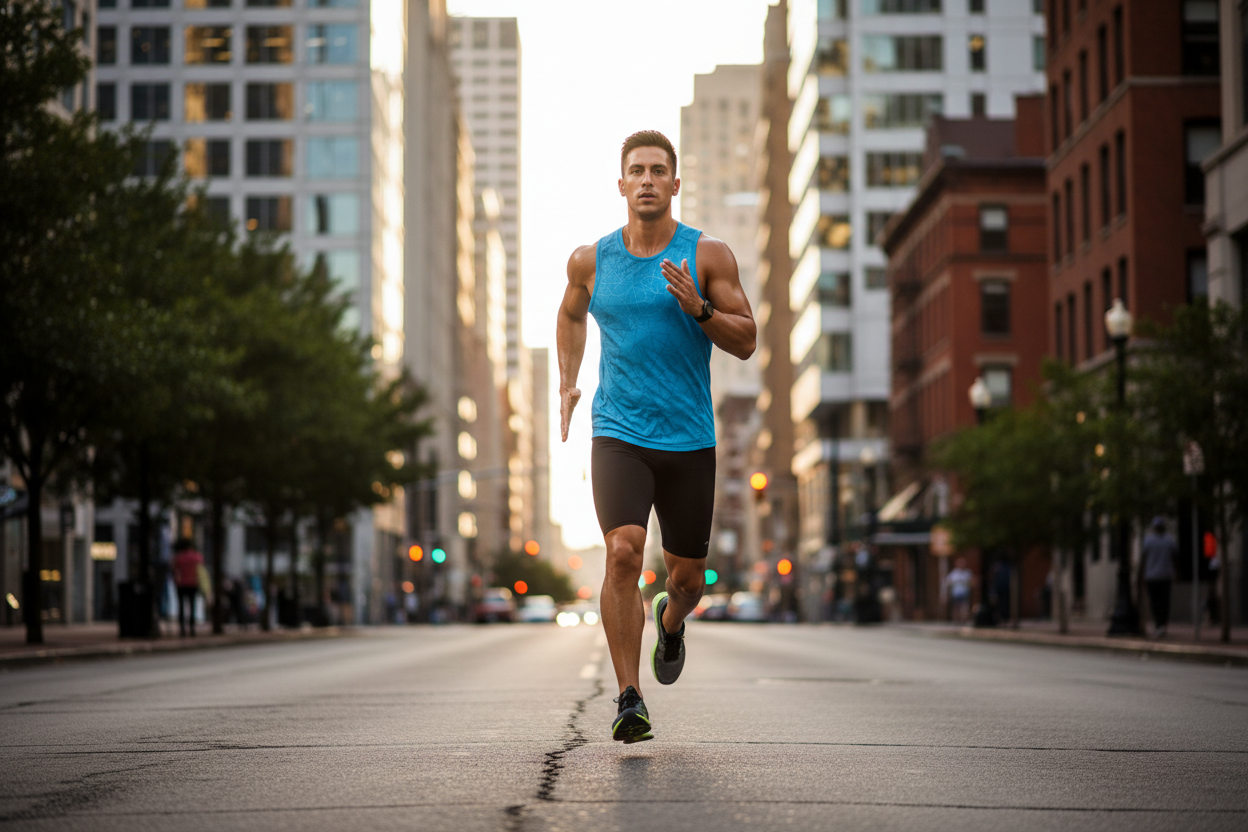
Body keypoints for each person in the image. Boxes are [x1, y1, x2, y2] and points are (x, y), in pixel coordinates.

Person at [557, 130, 756, 743]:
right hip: (619, 432)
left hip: (689, 438)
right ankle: (629, 697)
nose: (647, 180)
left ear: (675, 183)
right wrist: (567, 381)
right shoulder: (591, 260)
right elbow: (569, 314)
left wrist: (700, 309)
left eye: (658, 171)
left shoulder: (708, 254)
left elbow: (747, 340)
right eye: (637, 171)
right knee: (622, 551)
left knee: (688, 580)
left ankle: (671, 624)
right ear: (621, 185)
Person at [1142, 516, 1178, 638]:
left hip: (1156, 576)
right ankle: (1160, 625)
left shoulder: (1152, 541)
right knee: (1161, 603)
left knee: (1158, 603)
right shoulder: (1168, 540)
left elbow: (1144, 559)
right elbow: (1175, 558)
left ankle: (1160, 625)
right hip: (1160, 576)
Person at [171, 538, 204, 637]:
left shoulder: (179, 557)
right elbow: (200, 570)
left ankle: (182, 629)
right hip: (193, 584)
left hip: (181, 584)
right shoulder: (197, 556)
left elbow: (174, 570)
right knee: (192, 605)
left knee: (181, 606)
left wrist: (176, 581)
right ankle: (192, 628)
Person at [944, 557, 974, 624]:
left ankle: (963, 621)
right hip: (955, 594)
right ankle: (956, 621)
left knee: (964, 608)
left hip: (965, 593)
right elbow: (947, 582)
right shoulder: (954, 573)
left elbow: (972, 582)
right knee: (956, 608)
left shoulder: (967, 573)